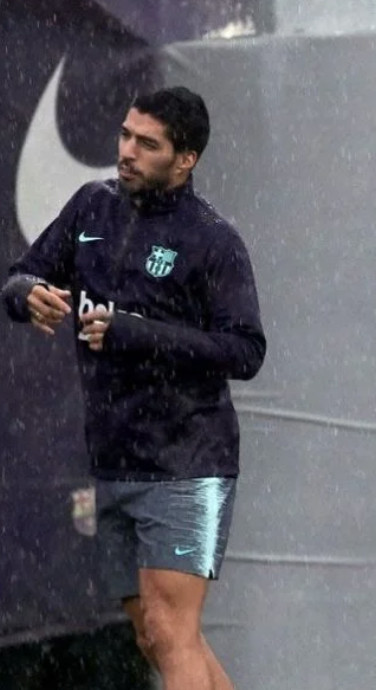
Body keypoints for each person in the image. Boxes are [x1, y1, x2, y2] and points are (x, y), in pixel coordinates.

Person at [2, 87, 266, 690]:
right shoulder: (91, 208)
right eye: (125, 135)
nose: (127, 152)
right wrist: (26, 297)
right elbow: (22, 275)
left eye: (147, 144)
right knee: (155, 634)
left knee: (173, 633)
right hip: (114, 460)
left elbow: (246, 351)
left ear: (185, 158)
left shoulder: (213, 240)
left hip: (187, 461)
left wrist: (137, 333)